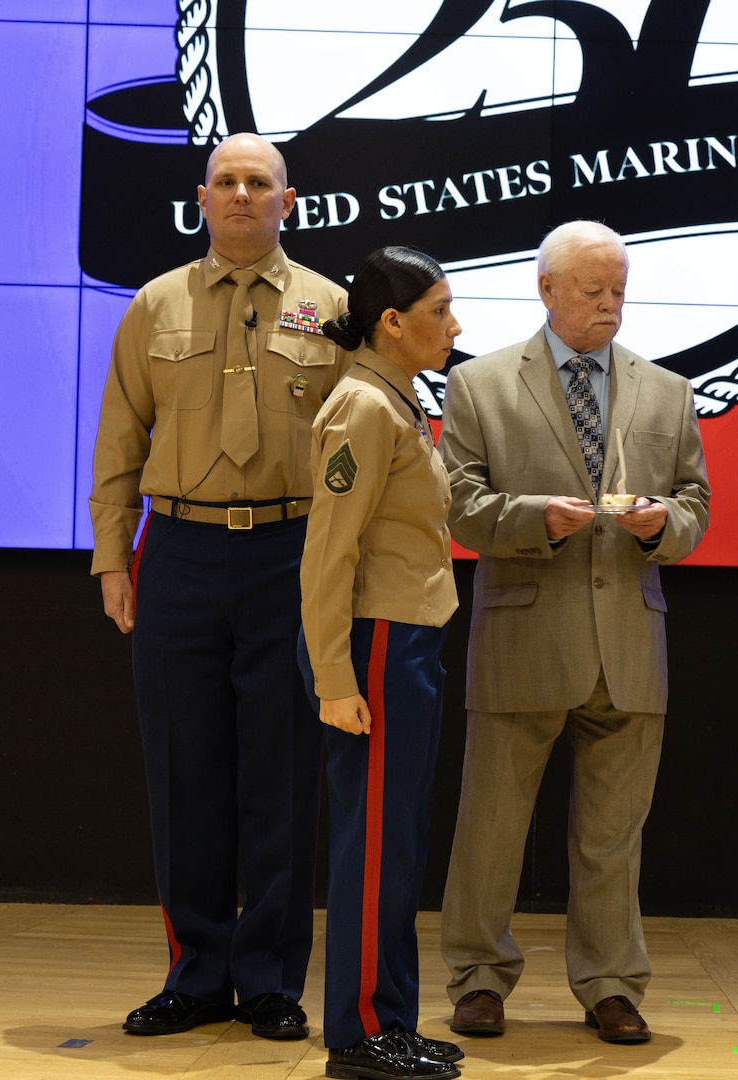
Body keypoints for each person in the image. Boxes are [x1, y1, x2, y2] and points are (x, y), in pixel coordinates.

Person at [90, 132, 350, 1039]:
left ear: (290, 199)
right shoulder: (155, 305)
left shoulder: (333, 310)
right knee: (183, 769)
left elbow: (362, 451)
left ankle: (271, 979)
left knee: (280, 773)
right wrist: (112, 558)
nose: (243, 194)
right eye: (227, 182)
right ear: (201, 199)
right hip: (182, 555)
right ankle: (197, 973)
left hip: (292, 554)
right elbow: (120, 437)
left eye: (260, 182)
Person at [437, 220, 711, 1044]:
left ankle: (611, 984)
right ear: (546, 288)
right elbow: (458, 505)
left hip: (629, 639)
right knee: (490, 828)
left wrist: (666, 524)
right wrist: (535, 520)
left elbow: (696, 505)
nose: (609, 306)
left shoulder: (667, 390)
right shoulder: (479, 384)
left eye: (619, 291)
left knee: (612, 836)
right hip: (524, 634)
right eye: (592, 291)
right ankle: (479, 977)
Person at [298, 247, 464, 1080]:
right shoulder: (362, 408)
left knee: (397, 842)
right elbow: (326, 556)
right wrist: (333, 680)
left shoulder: (394, 400)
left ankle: (391, 1015)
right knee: (373, 847)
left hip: (410, 639)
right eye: (440, 309)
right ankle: (362, 1034)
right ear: (392, 322)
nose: (455, 325)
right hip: (378, 644)